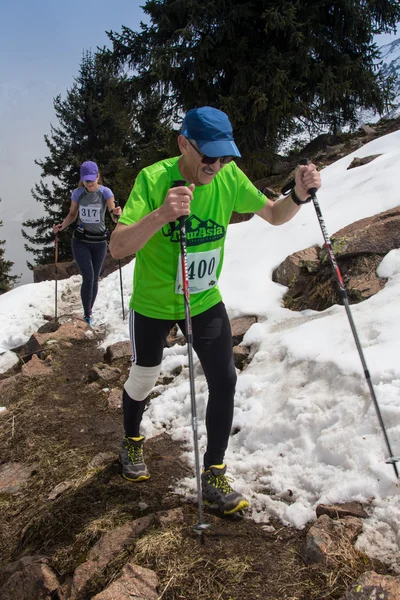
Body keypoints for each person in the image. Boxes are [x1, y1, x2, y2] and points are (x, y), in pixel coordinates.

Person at [109, 106, 321, 514]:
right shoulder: (153, 179)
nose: (217, 165)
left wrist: (297, 193)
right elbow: (119, 247)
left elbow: (275, 216)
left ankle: (214, 473)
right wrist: (162, 214)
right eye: (209, 156)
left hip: (203, 299)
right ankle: (132, 439)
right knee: (143, 376)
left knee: (224, 379)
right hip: (153, 304)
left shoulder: (227, 178)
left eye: (225, 156)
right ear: (184, 145)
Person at [53, 160, 121, 326]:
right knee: (88, 276)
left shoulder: (105, 192)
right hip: (81, 241)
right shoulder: (78, 193)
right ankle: (87, 315)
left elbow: (113, 215)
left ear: (98, 176)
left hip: (99, 243)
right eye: (86, 181)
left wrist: (118, 213)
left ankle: (88, 312)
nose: (89, 184)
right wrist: (61, 227)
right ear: (82, 179)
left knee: (94, 278)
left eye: (91, 180)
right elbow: (72, 215)